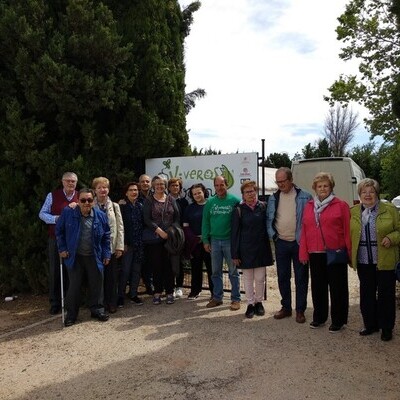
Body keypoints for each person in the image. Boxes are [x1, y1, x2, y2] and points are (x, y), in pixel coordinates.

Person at [299, 172, 351, 333]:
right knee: (318, 287)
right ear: (315, 188)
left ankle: (339, 320)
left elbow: (348, 231)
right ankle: (319, 317)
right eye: (319, 186)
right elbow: (304, 230)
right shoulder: (309, 206)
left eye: (325, 186)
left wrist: (349, 254)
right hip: (315, 253)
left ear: (331, 187)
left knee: (338, 288)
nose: (322, 188)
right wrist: (303, 253)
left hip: (335, 252)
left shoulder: (341, 205)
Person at [350, 178, 400, 341]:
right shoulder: (354, 211)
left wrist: (392, 238)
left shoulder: (390, 210)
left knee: (386, 295)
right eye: (364, 192)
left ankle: (386, 328)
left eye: (371, 191)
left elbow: (399, 230)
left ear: (377, 193)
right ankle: (370, 325)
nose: (368, 194)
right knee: (367, 294)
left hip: (384, 260)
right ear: (360, 194)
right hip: (364, 261)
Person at [56, 188, 111, 327]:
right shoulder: (68, 213)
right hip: (75, 257)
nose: (86, 203)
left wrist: (106, 253)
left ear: (94, 201)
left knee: (96, 284)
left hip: (94, 256)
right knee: (74, 286)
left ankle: (97, 310)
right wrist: (62, 248)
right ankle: (72, 315)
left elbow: (106, 236)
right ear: (78, 201)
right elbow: (59, 231)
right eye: (83, 200)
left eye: (89, 200)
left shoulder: (100, 215)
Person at [266, 167, 312, 323]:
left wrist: (306, 242)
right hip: (281, 243)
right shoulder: (273, 198)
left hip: (299, 243)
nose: (280, 185)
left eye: (283, 181)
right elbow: (269, 219)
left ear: (291, 179)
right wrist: (273, 236)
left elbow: (310, 222)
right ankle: (286, 307)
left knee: (301, 278)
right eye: (277, 182)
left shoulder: (305, 197)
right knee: (282, 277)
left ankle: (300, 310)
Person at [231, 180, 273, 318]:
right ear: (242, 194)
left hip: (261, 248)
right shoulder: (238, 210)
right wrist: (235, 254)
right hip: (245, 249)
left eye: (252, 191)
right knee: (248, 279)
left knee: (260, 278)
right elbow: (235, 233)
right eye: (247, 192)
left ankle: (259, 302)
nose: (250, 194)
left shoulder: (264, 206)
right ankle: (250, 304)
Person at [39, 172, 79, 315]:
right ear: (62, 182)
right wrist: (56, 219)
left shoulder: (81, 197)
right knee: (55, 270)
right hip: (55, 238)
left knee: (72, 271)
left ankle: (70, 301)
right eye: (68, 181)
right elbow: (42, 214)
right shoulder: (52, 195)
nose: (70, 183)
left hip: (74, 240)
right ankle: (55, 302)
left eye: (73, 181)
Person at [202, 175, 241, 310]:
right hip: (215, 241)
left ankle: (236, 299)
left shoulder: (235, 201)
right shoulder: (210, 203)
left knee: (233, 272)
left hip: (230, 241)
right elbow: (205, 222)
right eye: (216, 185)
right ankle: (217, 298)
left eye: (221, 185)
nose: (219, 188)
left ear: (227, 185)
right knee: (215, 272)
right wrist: (205, 240)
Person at [143, 176, 180, 305]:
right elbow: (147, 219)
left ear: (165, 186)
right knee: (156, 265)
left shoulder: (171, 199)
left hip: (169, 238)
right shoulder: (149, 200)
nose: (159, 186)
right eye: (157, 184)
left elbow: (176, 217)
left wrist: (170, 231)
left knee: (169, 265)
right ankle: (158, 291)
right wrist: (159, 231)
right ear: (153, 186)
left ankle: (170, 291)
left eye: (162, 184)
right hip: (155, 239)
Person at [92, 177, 124, 313]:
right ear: (95, 190)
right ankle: (99, 303)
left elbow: (120, 227)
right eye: (99, 187)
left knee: (111, 277)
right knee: (98, 277)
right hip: (95, 248)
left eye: (104, 187)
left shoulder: (115, 206)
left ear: (108, 189)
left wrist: (119, 246)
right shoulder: (90, 205)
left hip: (111, 247)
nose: (102, 190)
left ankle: (112, 302)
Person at [183, 183, 213, 299]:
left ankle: (214, 292)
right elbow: (185, 226)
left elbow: (215, 223)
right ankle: (195, 290)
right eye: (194, 194)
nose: (197, 195)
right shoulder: (189, 208)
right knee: (195, 267)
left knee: (212, 268)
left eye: (199, 192)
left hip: (209, 242)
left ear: (204, 192)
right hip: (195, 243)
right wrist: (195, 238)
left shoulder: (211, 205)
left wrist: (205, 237)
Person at [119, 182, 145, 307]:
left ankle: (133, 294)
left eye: (136, 190)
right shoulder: (122, 207)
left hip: (139, 243)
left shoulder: (141, 206)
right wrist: (122, 243)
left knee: (136, 270)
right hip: (127, 244)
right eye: (131, 190)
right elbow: (120, 227)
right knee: (125, 270)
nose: (134, 192)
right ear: (126, 193)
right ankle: (120, 296)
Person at [168, 177, 189, 298]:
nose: (175, 187)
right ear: (169, 187)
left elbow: (185, 219)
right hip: (168, 234)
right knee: (168, 262)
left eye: (177, 185)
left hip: (180, 235)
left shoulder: (184, 202)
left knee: (179, 262)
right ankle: (169, 287)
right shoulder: (165, 200)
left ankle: (179, 286)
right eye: (172, 185)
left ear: (180, 187)